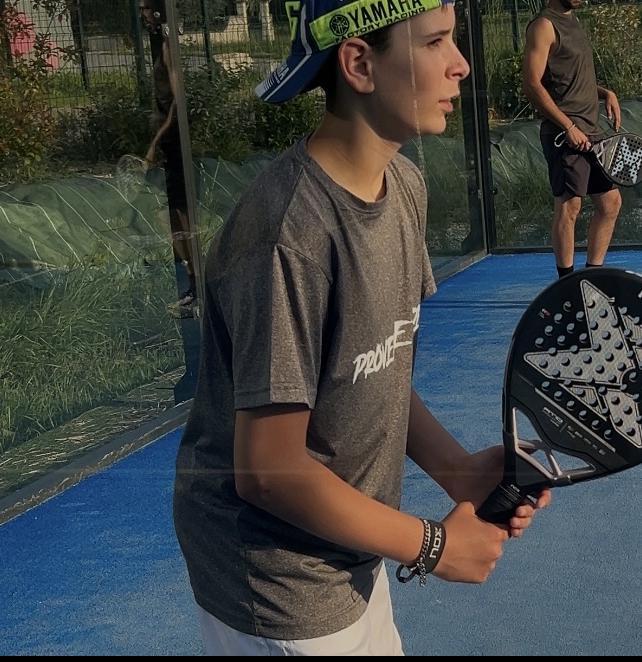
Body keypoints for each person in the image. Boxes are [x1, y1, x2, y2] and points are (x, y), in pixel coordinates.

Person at [170, 0, 552, 655]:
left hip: (349, 552)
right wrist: (432, 545)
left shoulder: (403, 186)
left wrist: (457, 470)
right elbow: (269, 471)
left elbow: (375, 367)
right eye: (435, 42)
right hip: (277, 581)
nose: (461, 64)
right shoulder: (288, 235)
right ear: (359, 64)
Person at [522, 0, 623, 279]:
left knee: (610, 203)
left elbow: (572, 78)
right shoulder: (544, 26)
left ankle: (592, 276)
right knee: (570, 205)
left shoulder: (573, 21)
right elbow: (531, 83)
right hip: (563, 133)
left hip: (591, 130)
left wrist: (605, 93)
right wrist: (568, 126)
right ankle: (566, 282)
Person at [140, 0, 200, 319]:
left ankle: (199, 289)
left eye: (146, 8)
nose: (142, 14)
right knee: (174, 216)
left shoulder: (167, 48)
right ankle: (193, 286)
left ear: (158, 11)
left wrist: (155, 142)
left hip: (176, 140)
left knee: (183, 215)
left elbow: (178, 102)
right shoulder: (161, 44)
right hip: (168, 141)